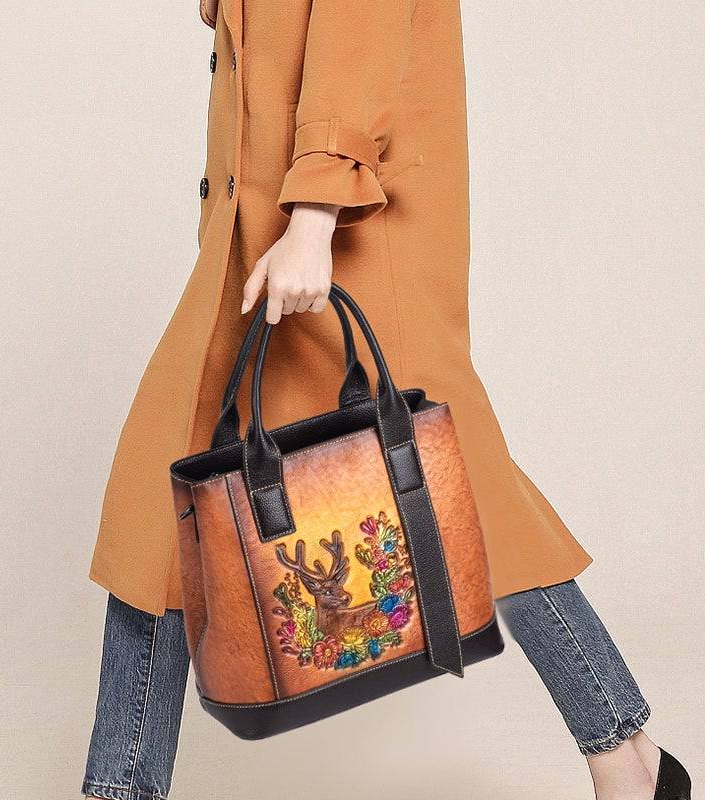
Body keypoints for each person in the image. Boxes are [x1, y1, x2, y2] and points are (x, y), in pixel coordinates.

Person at [82, 2, 691, 798]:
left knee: (463, 497)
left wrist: (314, 218)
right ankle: (119, 786)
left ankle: (625, 755)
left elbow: (357, 25)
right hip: (254, 235)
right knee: (158, 516)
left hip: (340, 234)